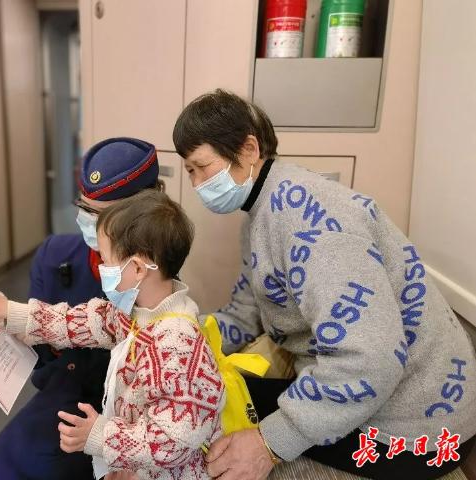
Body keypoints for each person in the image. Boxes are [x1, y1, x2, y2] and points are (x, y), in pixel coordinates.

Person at [172, 89, 476, 480]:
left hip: (415, 431)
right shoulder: (262, 214)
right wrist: (179, 337)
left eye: (201, 167)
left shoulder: (309, 219)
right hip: (380, 397)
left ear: (248, 149)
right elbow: (245, 313)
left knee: (212, 427)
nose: (198, 184)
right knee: (208, 397)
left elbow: (369, 360)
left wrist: (268, 443)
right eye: (190, 172)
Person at [0, 189, 225, 479]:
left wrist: (100, 436)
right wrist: (12, 313)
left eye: (106, 261)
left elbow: (172, 442)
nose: (101, 268)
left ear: (137, 268)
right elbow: (84, 321)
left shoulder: (177, 346)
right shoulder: (136, 312)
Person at [0, 137, 163, 480]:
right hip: (66, 399)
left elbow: (174, 426)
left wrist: (125, 456)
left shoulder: (165, 312)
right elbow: (75, 323)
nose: (88, 221)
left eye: (101, 215)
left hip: (128, 422)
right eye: (84, 208)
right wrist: (10, 314)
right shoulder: (58, 257)